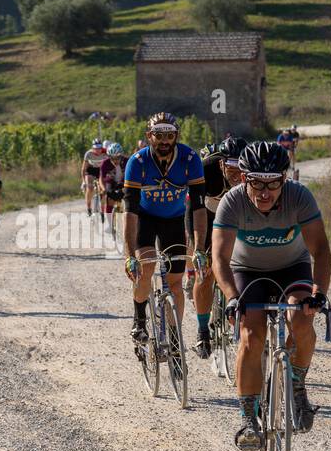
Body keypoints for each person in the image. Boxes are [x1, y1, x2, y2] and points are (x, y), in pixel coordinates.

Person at [211, 140, 331, 449]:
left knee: (301, 320)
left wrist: (318, 293)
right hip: (247, 271)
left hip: (293, 267)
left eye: (273, 183)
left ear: (284, 179)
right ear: (242, 179)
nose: (264, 192)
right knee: (251, 335)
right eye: (256, 183)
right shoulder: (232, 202)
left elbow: (320, 249)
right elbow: (220, 259)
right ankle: (249, 419)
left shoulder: (300, 197)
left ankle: (296, 383)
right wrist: (231, 297)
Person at [122, 112, 206, 346]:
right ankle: (139, 319)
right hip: (145, 219)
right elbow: (130, 211)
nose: (164, 141)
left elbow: (198, 207)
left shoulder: (190, 159)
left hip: (174, 221)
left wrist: (198, 248)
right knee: (145, 269)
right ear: (149, 136)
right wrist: (129, 256)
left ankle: (174, 337)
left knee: (176, 283)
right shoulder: (137, 163)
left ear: (176, 136)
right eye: (158, 135)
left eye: (169, 135)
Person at [187, 135, 247, 357]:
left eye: (240, 166)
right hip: (207, 219)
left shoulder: (250, 174)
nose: (235, 173)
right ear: (221, 163)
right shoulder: (206, 171)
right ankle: (203, 330)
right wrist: (198, 249)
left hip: (236, 220)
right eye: (230, 166)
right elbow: (194, 211)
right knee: (207, 272)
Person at [99, 141, 127, 234]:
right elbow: (101, 179)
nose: (115, 160)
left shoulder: (127, 161)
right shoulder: (105, 164)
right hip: (110, 183)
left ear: (121, 156)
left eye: (118, 157)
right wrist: (103, 189)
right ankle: (110, 224)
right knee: (109, 199)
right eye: (113, 158)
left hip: (124, 183)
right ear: (109, 157)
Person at [81, 137, 109, 216]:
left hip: (100, 171)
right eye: (95, 148)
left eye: (99, 148)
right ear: (92, 148)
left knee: (103, 190)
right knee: (90, 188)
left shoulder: (105, 152)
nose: (98, 150)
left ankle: (102, 209)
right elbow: (83, 169)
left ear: (102, 147)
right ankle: (89, 208)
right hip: (90, 171)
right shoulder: (88, 154)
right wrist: (83, 181)